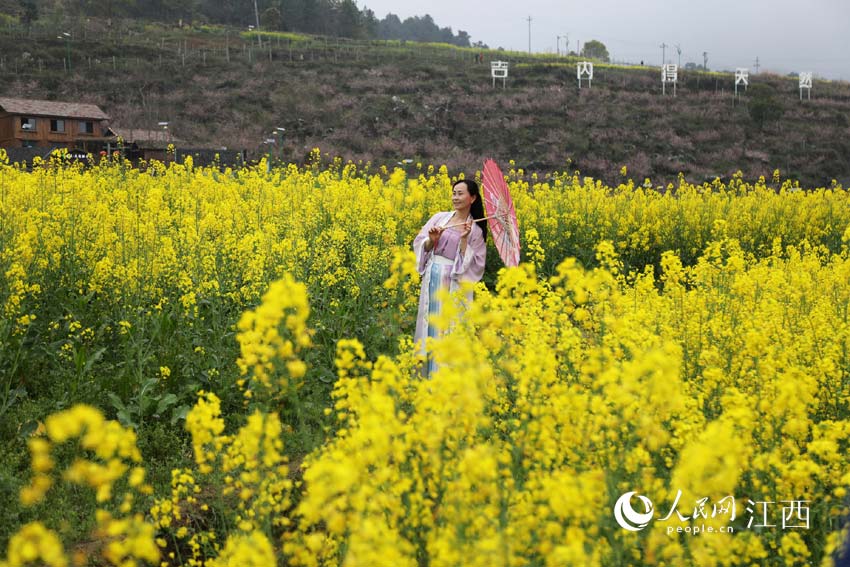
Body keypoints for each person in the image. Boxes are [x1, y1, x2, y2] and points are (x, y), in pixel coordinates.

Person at [412, 178, 488, 377]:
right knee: (430, 324)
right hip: (433, 277)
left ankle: (444, 381)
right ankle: (426, 377)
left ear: (472, 198)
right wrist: (432, 240)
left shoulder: (476, 231)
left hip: (454, 284)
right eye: (454, 193)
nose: (456, 197)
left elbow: (475, 265)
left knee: (449, 328)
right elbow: (421, 244)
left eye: (460, 193)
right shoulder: (439, 218)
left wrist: (464, 239)